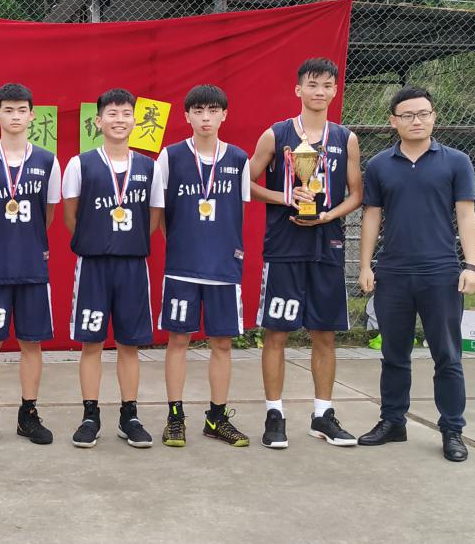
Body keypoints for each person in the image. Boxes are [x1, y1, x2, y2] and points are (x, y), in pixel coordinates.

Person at [357, 86, 475, 462]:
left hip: (441, 273)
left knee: (447, 355)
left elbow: (465, 215)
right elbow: (371, 216)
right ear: (393, 121)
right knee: (394, 354)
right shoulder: (379, 165)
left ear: (434, 117)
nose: (416, 121)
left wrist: (471, 265)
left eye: (423, 113)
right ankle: (393, 421)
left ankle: (452, 430)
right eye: (407, 115)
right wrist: (365, 265)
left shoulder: (456, 161)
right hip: (392, 273)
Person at [249, 58, 363, 449]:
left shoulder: (345, 138)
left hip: (327, 245)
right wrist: (285, 197)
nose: (319, 91)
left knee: (325, 334)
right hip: (284, 247)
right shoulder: (276, 134)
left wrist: (329, 214)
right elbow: (245, 183)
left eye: (327, 85)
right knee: (276, 333)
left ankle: (322, 415)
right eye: (312, 85)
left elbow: (357, 194)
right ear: (298, 90)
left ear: (335, 91)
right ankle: (274, 414)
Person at [0, 83, 62, 447]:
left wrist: (25, 243)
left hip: (32, 267)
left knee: (31, 343)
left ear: (33, 115)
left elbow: (48, 214)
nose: (15, 116)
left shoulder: (48, 161)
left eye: (22, 110)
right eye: (8, 110)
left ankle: (28, 414)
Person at [154, 84, 251, 448]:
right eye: (198, 111)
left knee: (222, 343)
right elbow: (161, 214)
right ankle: (175, 416)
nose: (206, 118)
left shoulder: (238, 159)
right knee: (178, 340)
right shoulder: (170, 156)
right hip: (183, 267)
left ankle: (217, 417)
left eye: (213, 110)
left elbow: (238, 213)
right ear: (187, 116)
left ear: (225, 114)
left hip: (224, 268)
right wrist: (183, 244)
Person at [63, 88, 160, 449]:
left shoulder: (149, 167)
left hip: (132, 265)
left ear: (135, 120)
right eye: (112, 114)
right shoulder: (81, 164)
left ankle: (129, 415)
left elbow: (153, 217)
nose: (119, 120)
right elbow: (71, 216)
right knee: (91, 343)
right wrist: (97, 240)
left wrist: (127, 242)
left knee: (129, 344)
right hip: (93, 265)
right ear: (98, 121)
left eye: (126, 113)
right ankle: (90, 415)